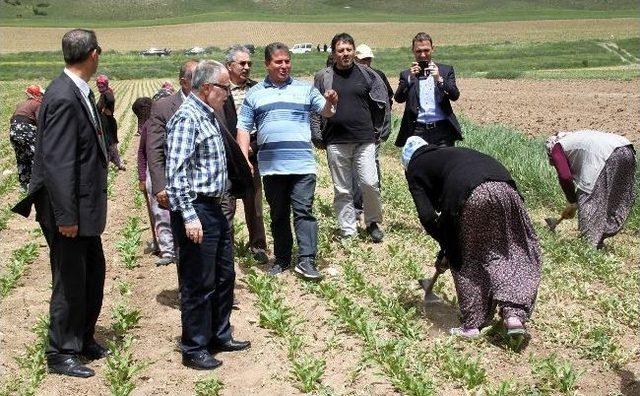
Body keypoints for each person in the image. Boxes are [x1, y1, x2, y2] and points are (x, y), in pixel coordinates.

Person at [12, 28, 109, 378]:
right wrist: (66, 216)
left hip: (82, 209)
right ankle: (61, 352)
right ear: (93, 55)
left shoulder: (73, 91)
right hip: (68, 211)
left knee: (91, 274)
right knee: (69, 280)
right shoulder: (65, 96)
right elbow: (58, 163)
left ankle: (83, 338)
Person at [402, 136, 541, 338]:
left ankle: (473, 325)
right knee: (513, 250)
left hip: (472, 195)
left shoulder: (415, 168)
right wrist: (445, 246)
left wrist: (448, 246)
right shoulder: (447, 153)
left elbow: (427, 216)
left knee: (468, 255)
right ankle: (514, 316)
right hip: (507, 190)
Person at [166, 60, 251, 370]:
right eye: (224, 87)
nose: (228, 93)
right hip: (197, 208)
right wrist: (189, 216)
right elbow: (176, 175)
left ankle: (219, 334)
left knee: (223, 275)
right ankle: (195, 347)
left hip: (215, 206)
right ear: (206, 88)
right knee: (198, 282)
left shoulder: (209, 115)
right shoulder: (188, 118)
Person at [237, 42, 338, 279]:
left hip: (302, 164)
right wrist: (243, 158)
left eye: (287, 61)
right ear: (267, 64)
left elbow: (327, 112)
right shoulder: (255, 93)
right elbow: (243, 127)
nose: (284, 66)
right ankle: (282, 259)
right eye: (278, 62)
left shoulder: (305, 89)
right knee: (279, 213)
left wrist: (332, 101)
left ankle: (307, 260)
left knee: (303, 211)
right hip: (272, 167)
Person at [312, 33, 390, 242]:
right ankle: (347, 229)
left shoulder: (368, 74)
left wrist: (381, 130)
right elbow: (314, 108)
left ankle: (372, 222)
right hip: (336, 140)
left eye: (348, 49)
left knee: (370, 183)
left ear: (354, 51)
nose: (345, 54)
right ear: (334, 53)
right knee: (342, 188)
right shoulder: (323, 77)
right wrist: (317, 135)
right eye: (340, 50)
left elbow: (383, 103)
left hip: (365, 138)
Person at [545, 130, 636, 248]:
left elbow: (565, 176)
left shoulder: (556, 147)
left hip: (604, 156)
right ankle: (600, 238)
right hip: (627, 151)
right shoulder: (576, 138)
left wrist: (572, 201)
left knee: (588, 201)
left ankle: (588, 247)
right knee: (616, 198)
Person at [220, 45, 268, 264]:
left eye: (249, 63)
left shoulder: (258, 90)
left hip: (252, 154)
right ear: (230, 66)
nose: (247, 67)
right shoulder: (219, 90)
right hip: (226, 157)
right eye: (242, 63)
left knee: (254, 201)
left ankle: (258, 245)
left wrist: (252, 147)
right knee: (226, 203)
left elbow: (265, 124)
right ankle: (226, 248)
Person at [147, 59, 198, 210]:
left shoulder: (212, 103)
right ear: (184, 82)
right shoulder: (163, 107)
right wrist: (160, 186)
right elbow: (155, 149)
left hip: (207, 187)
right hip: (178, 186)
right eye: (198, 78)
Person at [394, 32, 461, 147]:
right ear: (413, 50)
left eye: (426, 50)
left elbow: (455, 95)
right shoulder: (406, 74)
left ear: (432, 49)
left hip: (442, 130)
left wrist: (439, 79)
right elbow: (398, 98)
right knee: (418, 164)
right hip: (417, 130)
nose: (423, 55)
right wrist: (410, 79)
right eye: (418, 51)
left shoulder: (445, 70)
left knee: (443, 164)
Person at [352, 43, 394, 223]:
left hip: (373, 131)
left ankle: (373, 201)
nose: (366, 63)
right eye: (362, 60)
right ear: (355, 59)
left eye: (368, 60)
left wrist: (382, 125)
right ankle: (356, 205)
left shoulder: (379, 76)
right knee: (354, 167)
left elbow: (388, 99)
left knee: (372, 165)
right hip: (353, 131)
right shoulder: (350, 76)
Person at [133, 97, 175, 266]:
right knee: (160, 212)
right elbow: (142, 154)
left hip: (175, 171)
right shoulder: (148, 127)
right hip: (155, 173)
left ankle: (178, 247)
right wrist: (142, 177)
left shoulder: (175, 120)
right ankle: (167, 250)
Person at [9, 84, 44, 190]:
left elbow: (12, 119)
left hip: (14, 130)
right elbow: (40, 121)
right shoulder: (37, 104)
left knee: (21, 157)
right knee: (35, 155)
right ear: (37, 94)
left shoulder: (22, 104)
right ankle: (37, 184)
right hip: (26, 129)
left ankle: (24, 184)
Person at [96, 75, 125, 170]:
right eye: (99, 85)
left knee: (109, 144)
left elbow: (110, 100)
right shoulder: (105, 93)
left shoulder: (107, 93)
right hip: (106, 122)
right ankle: (118, 162)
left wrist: (104, 109)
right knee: (110, 144)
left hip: (108, 123)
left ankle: (110, 164)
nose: (100, 87)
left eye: (101, 85)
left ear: (106, 84)